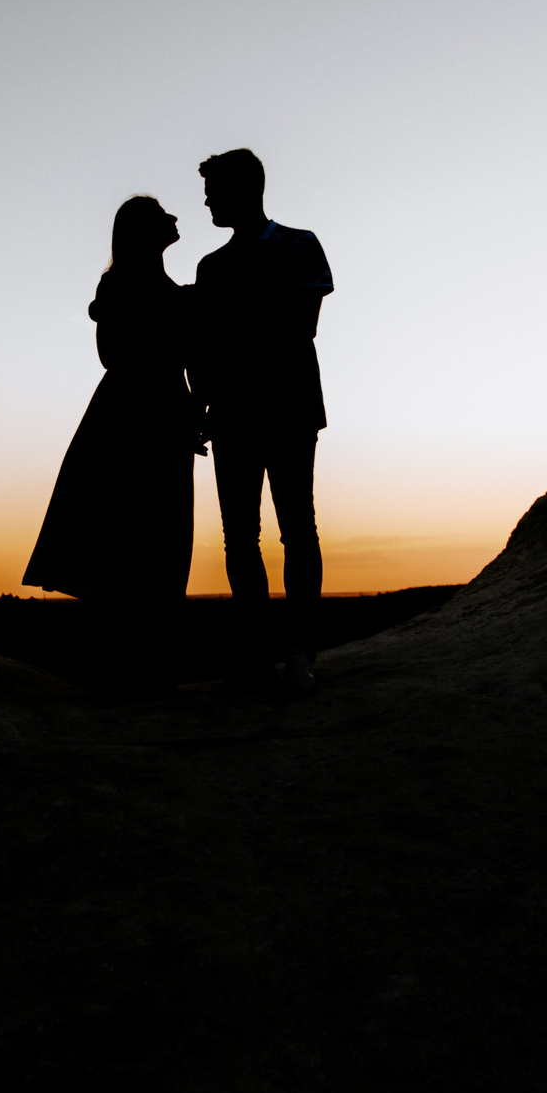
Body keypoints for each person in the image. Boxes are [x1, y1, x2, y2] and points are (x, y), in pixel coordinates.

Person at [22, 197, 199, 671]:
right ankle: (130, 663)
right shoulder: (120, 284)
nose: (175, 218)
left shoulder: (175, 292)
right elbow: (112, 355)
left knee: (165, 534)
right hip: (129, 416)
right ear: (144, 231)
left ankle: (149, 660)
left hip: (163, 411)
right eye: (163, 214)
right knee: (128, 533)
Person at [190, 148, 333, 696]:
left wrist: (232, 339)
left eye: (214, 190)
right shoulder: (211, 266)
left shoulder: (300, 244)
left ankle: (300, 652)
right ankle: (256, 656)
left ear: (245, 189)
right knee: (239, 538)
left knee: (297, 529)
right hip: (231, 413)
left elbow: (302, 326)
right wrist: (201, 402)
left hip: (290, 406)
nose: (205, 200)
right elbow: (203, 346)